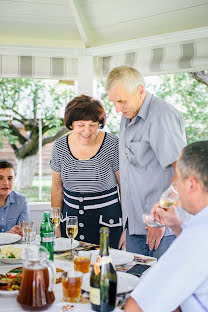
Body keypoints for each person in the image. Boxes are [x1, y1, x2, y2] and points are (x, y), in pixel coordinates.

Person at [106, 65, 187, 258]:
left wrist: (160, 221)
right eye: (114, 102)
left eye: (121, 101)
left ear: (140, 90)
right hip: (136, 229)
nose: (117, 109)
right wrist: (128, 225)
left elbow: (183, 172)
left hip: (160, 231)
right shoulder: (128, 114)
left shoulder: (161, 117)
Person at [124, 141, 208, 312]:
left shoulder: (196, 238)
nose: (175, 188)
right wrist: (177, 226)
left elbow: (137, 307)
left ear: (191, 184)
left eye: (178, 179)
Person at [50, 94, 123, 248]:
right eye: (81, 125)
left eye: (93, 124)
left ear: (100, 123)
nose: (87, 131)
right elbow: (57, 189)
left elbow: (125, 187)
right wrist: (55, 225)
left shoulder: (113, 144)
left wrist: (128, 227)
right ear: (71, 124)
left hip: (107, 225)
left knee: (104, 268)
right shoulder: (59, 146)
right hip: (70, 225)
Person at [0, 160, 30, 235]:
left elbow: (24, 231)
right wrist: (7, 235)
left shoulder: (21, 200)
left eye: (10, 178)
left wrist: (19, 232)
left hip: (15, 246)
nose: (6, 183)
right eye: (0, 178)